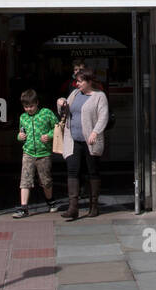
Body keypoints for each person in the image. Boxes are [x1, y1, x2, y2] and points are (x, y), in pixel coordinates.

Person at [60, 69, 109, 220]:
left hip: (90, 141)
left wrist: (95, 132)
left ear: (89, 81)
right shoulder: (74, 94)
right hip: (73, 139)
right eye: (76, 81)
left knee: (92, 171)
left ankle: (93, 206)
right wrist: (61, 103)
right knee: (72, 171)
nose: (77, 84)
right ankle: (73, 208)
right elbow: (64, 112)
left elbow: (103, 116)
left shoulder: (99, 96)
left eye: (80, 81)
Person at [14, 89, 60, 219]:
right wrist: (19, 136)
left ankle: (50, 201)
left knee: (45, 180)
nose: (29, 109)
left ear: (37, 103)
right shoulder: (23, 117)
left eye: (31, 106)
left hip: (44, 153)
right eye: (26, 107)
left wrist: (49, 136)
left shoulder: (46, 113)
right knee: (25, 180)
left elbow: (57, 127)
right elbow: (21, 133)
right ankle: (24, 208)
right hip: (28, 152)